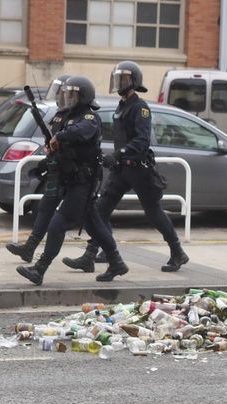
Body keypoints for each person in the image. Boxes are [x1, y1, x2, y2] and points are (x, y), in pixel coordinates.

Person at [62, 60, 189, 274]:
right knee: (100, 209)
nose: (119, 83)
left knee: (153, 212)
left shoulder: (140, 108)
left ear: (135, 82)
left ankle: (177, 252)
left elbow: (141, 141)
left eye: (124, 79)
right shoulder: (122, 105)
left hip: (139, 168)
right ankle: (90, 256)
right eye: (118, 78)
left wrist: (119, 154)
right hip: (122, 169)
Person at [16, 76, 128, 285]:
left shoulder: (89, 118)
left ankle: (40, 269)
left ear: (83, 97)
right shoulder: (67, 116)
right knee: (94, 224)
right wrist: (51, 146)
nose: (68, 98)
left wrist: (59, 138)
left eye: (73, 94)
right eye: (66, 94)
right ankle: (116, 262)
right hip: (70, 180)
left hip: (83, 183)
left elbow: (78, 133)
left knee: (58, 224)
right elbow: (57, 137)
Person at [5, 75, 71, 263]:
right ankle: (30, 247)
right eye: (62, 95)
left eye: (67, 95)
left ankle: (105, 254)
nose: (63, 99)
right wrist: (49, 148)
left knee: (92, 217)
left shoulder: (76, 117)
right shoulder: (59, 115)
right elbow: (53, 137)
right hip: (57, 169)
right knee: (45, 207)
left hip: (73, 173)